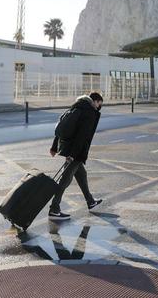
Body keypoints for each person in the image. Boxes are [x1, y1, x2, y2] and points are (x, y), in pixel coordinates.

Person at [49, 93, 104, 221]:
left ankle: (90, 201)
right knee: (65, 180)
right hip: (76, 152)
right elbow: (82, 136)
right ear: (95, 101)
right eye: (99, 104)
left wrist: (54, 147)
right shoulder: (89, 112)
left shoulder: (75, 107)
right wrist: (72, 155)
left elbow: (60, 129)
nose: (99, 108)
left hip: (69, 148)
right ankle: (54, 209)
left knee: (81, 175)